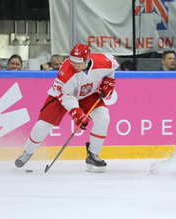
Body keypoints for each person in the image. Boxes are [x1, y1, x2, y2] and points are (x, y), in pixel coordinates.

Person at [15, 43, 119, 173]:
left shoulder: (102, 61)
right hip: (62, 96)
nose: (74, 65)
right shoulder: (65, 72)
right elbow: (65, 96)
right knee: (42, 126)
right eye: (72, 61)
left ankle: (93, 155)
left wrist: (110, 80)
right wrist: (76, 112)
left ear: (87, 59)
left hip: (88, 94)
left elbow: (114, 64)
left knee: (103, 117)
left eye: (78, 62)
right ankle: (28, 151)